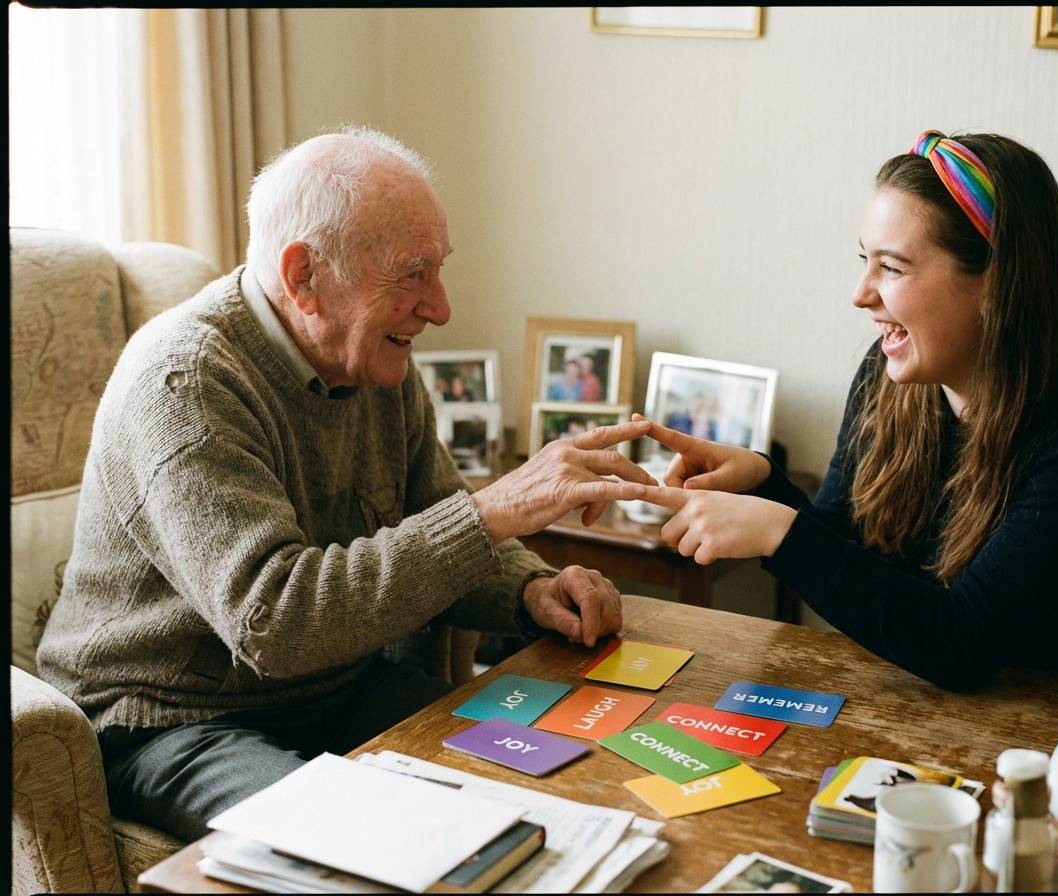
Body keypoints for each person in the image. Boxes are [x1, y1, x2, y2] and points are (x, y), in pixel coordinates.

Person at [35, 126, 656, 842]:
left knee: (574, 775)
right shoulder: (184, 382)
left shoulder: (373, 361)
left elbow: (438, 522)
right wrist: (492, 512)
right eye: (412, 273)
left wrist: (529, 590)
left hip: (339, 687)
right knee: (367, 840)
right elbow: (274, 623)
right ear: (304, 276)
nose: (441, 306)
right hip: (169, 718)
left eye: (439, 269)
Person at [636, 129, 1058, 691]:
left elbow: (964, 642)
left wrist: (782, 532)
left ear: (997, 283)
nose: (861, 293)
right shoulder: (891, 376)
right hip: (925, 718)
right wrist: (761, 485)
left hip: (1055, 752)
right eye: (864, 260)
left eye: (892, 268)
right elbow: (842, 543)